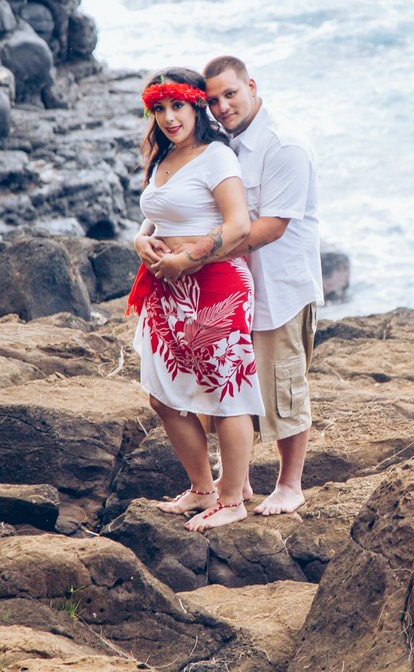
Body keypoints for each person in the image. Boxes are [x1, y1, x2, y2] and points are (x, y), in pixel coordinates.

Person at [126, 67, 262, 532]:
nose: (168, 117)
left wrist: (188, 259)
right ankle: (202, 489)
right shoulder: (163, 158)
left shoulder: (215, 156)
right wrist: (142, 242)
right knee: (162, 399)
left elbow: (239, 225)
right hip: (167, 291)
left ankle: (231, 498)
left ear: (196, 106)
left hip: (216, 284)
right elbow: (157, 214)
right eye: (158, 109)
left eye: (177, 106)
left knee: (227, 394)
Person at [203, 55, 323, 516]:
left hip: (281, 288)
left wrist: (197, 254)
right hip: (236, 288)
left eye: (230, 94)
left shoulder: (283, 145)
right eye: (213, 100)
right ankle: (239, 480)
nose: (222, 106)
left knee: (282, 387)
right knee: (235, 385)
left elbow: (271, 227)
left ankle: (290, 484)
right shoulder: (225, 145)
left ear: (251, 86)